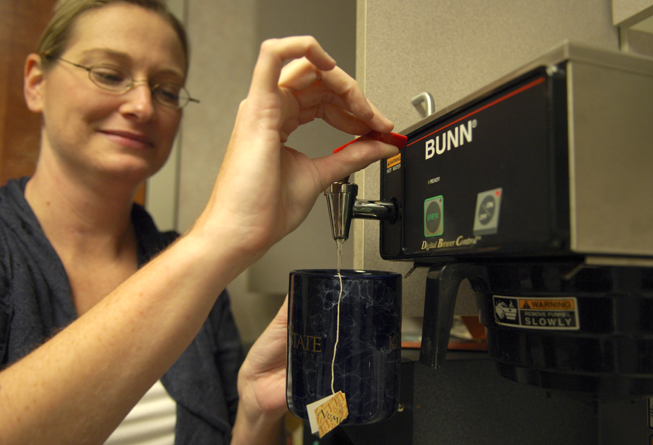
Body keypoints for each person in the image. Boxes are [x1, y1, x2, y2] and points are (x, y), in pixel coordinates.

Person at [0, 0, 399, 444]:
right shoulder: (197, 263)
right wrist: (218, 238)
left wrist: (254, 413)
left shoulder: (188, 272)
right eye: (109, 74)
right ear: (36, 82)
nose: (142, 106)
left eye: (167, 89)